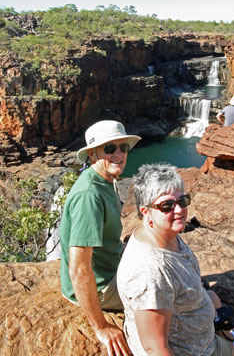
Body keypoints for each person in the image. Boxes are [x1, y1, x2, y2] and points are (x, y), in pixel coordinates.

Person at [117, 163, 234, 356]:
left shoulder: (163, 233)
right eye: (167, 205)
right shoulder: (149, 272)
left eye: (182, 200)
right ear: (145, 212)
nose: (179, 209)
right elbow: (155, 348)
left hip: (202, 340)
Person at [60, 120, 141, 356]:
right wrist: (101, 326)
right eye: (109, 149)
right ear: (93, 154)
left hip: (111, 268)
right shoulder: (89, 196)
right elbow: (79, 269)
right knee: (168, 290)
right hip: (102, 287)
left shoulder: (105, 180)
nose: (118, 154)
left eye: (122, 148)